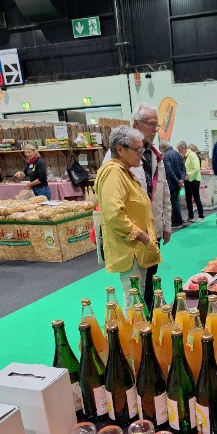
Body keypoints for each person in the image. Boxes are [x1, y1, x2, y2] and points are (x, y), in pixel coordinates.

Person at [103, 102, 171, 311]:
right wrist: (140, 234)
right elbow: (113, 211)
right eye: (150, 123)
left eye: (157, 125)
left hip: (149, 231)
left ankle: (149, 317)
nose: (154, 129)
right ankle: (139, 325)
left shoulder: (152, 156)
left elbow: (162, 191)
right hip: (133, 238)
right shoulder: (114, 168)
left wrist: (164, 223)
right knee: (133, 295)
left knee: (146, 282)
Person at [95, 126, 161, 314]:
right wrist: (142, 236)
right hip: (129, 249)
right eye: (137, 149)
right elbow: (114, 213)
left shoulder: (124, 171)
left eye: (142, 149)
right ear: (120, 149)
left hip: (136, 249)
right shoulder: (114, 172)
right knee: (133, 300)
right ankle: (135, 332)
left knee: (137, 297)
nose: (142, 155)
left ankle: (138, 329)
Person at [176, 141, 204, 223]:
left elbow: (196, 168)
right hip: (188, 180)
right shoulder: (186, 156)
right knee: (188, 199)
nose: (179, 152)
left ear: (183, 148)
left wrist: (190, 176)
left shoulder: (192, 155)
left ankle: (201, 216)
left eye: (179, 150)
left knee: (196, 197)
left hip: (194, 180)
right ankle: (191, 216)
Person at [160, 140, 185, 229]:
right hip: (178, 182)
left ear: (163, 147)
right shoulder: (178, 154)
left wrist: (177, 181)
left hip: (171, 183)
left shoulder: (166, 156)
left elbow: (169, 171)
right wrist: (181, 180)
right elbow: (183, 168)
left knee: (173, 202)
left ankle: (178, 222)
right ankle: (176, 221)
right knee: (176, 201)